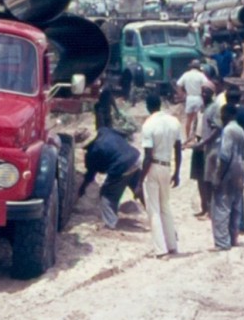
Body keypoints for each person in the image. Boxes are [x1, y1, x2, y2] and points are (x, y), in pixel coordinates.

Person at [138, 94, 183, 257]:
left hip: (153, 167)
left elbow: (148, 156)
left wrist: (140, 180)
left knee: (154, 210)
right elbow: (178, 149)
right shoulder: (174, 122)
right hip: (167, 166)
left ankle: (160, 249)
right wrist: (177, 172)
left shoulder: (148, 125)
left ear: (148, 107)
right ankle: (172, 245)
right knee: (165, 207)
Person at [78, 127, 143, 229]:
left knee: (107, 195)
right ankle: (155, 214)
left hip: (121, 167)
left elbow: (91, 174)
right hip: (135, 158)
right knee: (139, 188)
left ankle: (110, 224)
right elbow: (124, 135)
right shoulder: (105, 130)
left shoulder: (93, 152)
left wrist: (82, 189)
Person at [211, 104, 244, 250]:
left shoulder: (228, 130)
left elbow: (225, 156)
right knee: (235, 205)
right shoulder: (241, 130)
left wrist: (218, 176)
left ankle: (222, 242)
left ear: (227, 114)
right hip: (240, 169)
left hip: (229, 171)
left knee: (221, 206)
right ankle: (234, 238)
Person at [189, 83, 220, 218]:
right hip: (198, 146)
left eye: (206, 92)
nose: (204, 94)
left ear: (212, 93)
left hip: (208, 147)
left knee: (209, 180)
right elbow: (196, 125)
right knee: (199, 178)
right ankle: (204, 207)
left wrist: (204, 142)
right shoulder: (201, 108)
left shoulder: (215, 108)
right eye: (202, 92)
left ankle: (211, 209)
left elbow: (217, 129)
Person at [175, 59, 211, 141]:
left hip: (189, 98)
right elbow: (207, 84)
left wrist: (181, 94)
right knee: (197, 119)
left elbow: (178, 84)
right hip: (198, 97)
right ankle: (195, 137)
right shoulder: (201, 75)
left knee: (188, 120)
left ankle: (187, 137)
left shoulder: (186, 74)